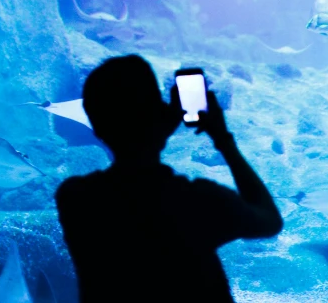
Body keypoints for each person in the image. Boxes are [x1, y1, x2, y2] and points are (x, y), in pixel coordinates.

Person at [55, 54, 283, 303]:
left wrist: (157, 125)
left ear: (96, 128)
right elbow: (270, 221)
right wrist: (224, 141)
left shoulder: (76, 199)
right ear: (158, 114)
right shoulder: (196, 200)